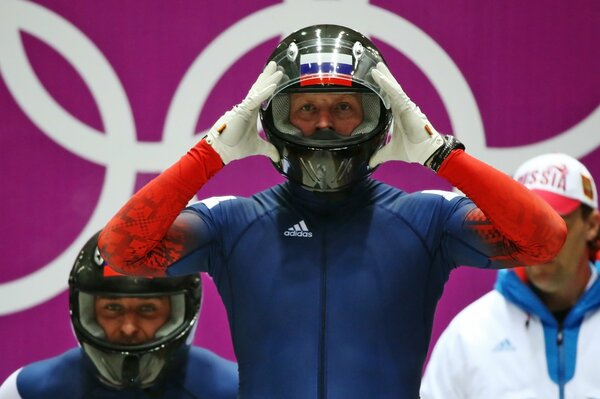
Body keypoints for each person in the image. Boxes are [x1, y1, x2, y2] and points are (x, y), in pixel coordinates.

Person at [97, 24, 567, 398]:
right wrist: (211, 151)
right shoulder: (229, 223)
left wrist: (441, 153)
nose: (323, 123)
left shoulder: (429, 220)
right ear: (272, 117)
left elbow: (545, 240)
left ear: (379, 117)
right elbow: (122, 253)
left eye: (344, 106)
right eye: (305, 108)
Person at [420, 153, 600, 399]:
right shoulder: (470, 334)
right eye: (528, 226)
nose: (541, 240)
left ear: (592, 225)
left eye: (555, 223)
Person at [0, 231, 238, 399]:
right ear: (88, 312)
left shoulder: (241, 392)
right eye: (113, 308)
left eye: (148, 309)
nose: (128, 327)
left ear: (179, 312)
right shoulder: (26, 393)